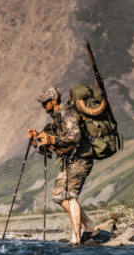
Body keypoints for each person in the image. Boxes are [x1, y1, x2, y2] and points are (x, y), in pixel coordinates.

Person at [28, 87, 99, 245]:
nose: (43, 106)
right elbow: (56, 137)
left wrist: (53, 141)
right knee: (59, 196)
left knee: (69, 196)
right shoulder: (57, 116)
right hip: (71, 159)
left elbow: (75, 135)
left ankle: (76, 238)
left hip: (80, 158)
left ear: (53, 101)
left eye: (45, 103)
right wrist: (38, 136)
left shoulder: (68, 112)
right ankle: (89, 226)